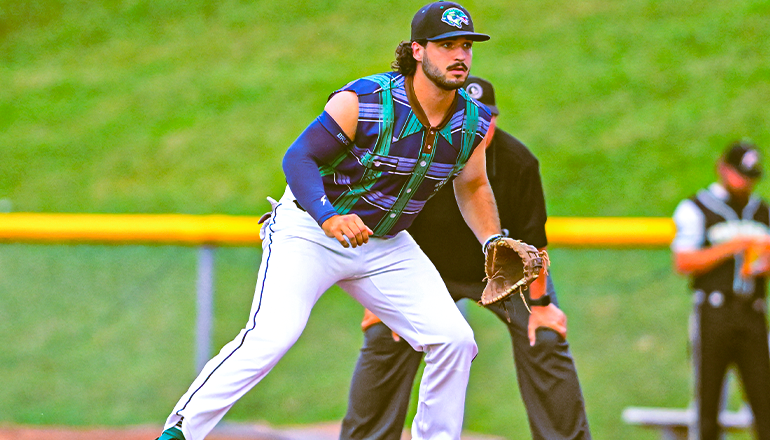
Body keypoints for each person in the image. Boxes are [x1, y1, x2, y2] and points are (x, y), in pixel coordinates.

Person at [154, 2, 512, 440]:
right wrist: (328, 216)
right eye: (446, 45)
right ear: (418, 51)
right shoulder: (365, 100)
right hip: (309, 230)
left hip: (384, 244)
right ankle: (181, 430)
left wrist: (492, 240)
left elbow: (473, 186)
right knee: (272, 335)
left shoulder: (471, 121)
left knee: (454, 340)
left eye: (465, 46)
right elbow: (298, 158)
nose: (459, 55)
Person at [339, 76, 592, 440]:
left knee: (545, 336)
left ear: (494, 120)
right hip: (423, 270)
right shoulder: (417, 155)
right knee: (385, 335)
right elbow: (382, 228)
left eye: (486, 118)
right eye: (469, 117)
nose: (479, 127)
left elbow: (535, 245)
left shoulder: (518, 162)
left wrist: (541, 307)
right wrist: (378, 300)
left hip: (503, 272)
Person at [671, 140, 770, 440]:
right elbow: (683, 261)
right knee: (709, 400)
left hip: (753, 312)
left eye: (751, 176)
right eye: (740, 174)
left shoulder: (762, 211)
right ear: (723, 169)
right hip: (714, 312)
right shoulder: (697, 207)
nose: (745, 183)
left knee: (764, 400)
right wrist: (733, 246)